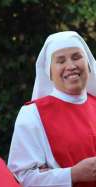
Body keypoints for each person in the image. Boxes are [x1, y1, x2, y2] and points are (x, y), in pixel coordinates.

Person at [8, 31, 96, 187]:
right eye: (60, 61)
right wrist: (71, 174)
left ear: (88, 63)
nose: (71, 66)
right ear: (49, 72)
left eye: (76, 57)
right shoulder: (32, 114)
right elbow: (20, 178)